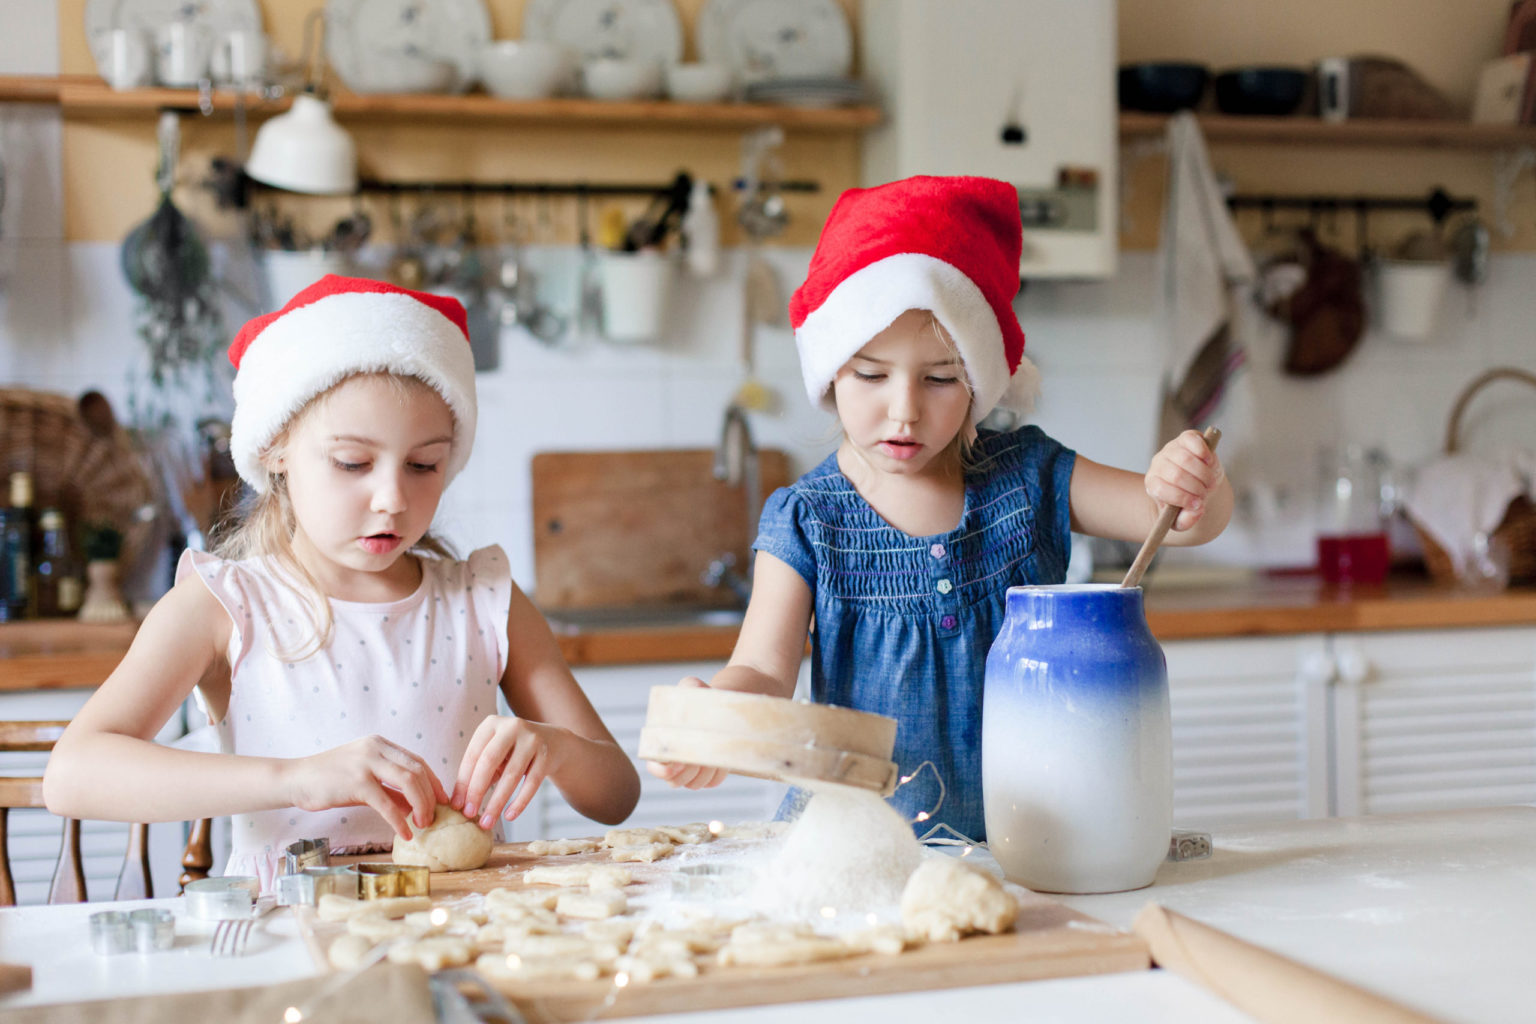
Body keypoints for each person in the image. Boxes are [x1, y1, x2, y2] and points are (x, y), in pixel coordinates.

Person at [648, 176, 1233, 842]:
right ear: (831, 372)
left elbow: (1184, 522)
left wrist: (1191, 483)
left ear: (980, 379)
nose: (905, 408)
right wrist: (716, 716)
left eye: (940, 377)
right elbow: (764, 669)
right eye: (871, 374)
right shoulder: (809, 519)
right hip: (854, 854)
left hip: (1032, 846)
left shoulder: (1031, 476)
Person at [45, 276, 640, 887]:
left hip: (464, 933)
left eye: (423, 465)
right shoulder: (226, 605)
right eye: (352, 463)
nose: (391, 499)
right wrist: (294, 779)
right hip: (288, 940)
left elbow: (615, 795)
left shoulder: (483, 602)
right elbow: (73, 775)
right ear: (276, 448)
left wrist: (555, 749)